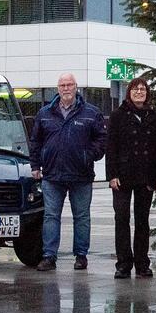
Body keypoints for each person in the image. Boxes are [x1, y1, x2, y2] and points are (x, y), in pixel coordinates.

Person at [29, 73, 108, 271]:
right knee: (50, 216)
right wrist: (35, 166)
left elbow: (101, 139)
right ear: (58, 88)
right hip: (52, 175)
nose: (66, 88)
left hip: (81, 175)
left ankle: (81, 256)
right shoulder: (45, 113)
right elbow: (35, 141)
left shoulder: (91, 112)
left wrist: (88, 155)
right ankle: (49, 256)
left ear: (76, 88)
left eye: (69, 84)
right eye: (62, 85)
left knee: (81, 217)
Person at [107, 75, 156, 278]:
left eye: (143, 89)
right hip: (122, 175)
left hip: (145, 175)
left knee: (142, 220)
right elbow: (111, 147)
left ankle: (142, 263)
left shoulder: (154, 116)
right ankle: (123, 263)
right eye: (135, 89)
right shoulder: (118, 115)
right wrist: (112, 175)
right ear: (129, 92)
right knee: (121, 218)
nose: (139, 92)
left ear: (147, 93)